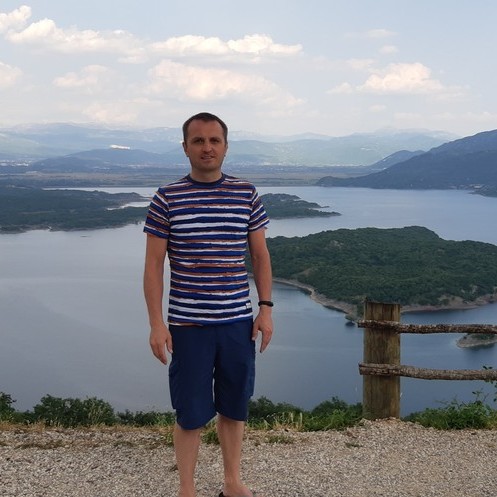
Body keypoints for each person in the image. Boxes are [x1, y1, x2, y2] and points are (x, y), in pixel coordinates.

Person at [143, 112, 273, 497]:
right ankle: (187, 489)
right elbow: (153, 266)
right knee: (191, 412)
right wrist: (156, 324)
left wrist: (265, 309)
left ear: (226, 147)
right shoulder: (167, 198)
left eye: (214, 140)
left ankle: (232, 483)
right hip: (188, 326)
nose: (207, 148)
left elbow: (260, 256)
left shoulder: (246, 194)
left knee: (234, 407)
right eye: (198, 140)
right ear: (185, 148)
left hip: (237, 322)